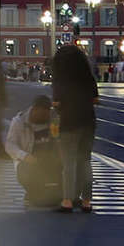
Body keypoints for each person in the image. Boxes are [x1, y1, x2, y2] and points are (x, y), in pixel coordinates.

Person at [49, 37, 98, 212]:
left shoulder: (60, 80)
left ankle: (67, 200)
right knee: (85, 161)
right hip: (88, 122)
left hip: (68, 122)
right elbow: (95, 99)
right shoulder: (88, 78)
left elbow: (56, 104)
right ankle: (86, 201)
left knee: (68, 163)